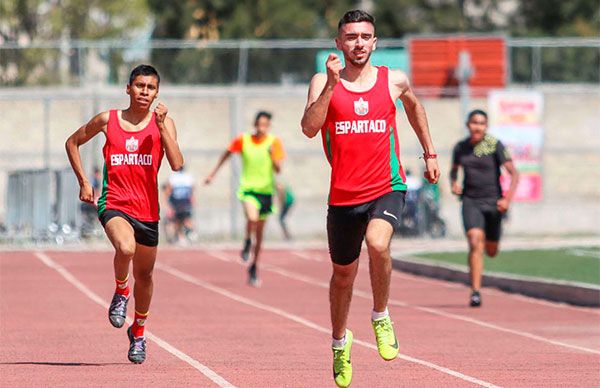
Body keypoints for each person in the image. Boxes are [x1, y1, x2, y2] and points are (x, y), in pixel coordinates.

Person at [300, 10, 440, 388]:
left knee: (378, 244)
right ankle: (339, 343)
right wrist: (330, 86)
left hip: (386, 186)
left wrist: (429, 152)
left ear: (374, 42)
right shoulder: (322, 81)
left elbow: (414, 106)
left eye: (365, 36)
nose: (358, 43)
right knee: (343, 276)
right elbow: (310, 128)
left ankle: (380, 315)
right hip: (344, 196)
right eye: (351, 37)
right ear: (339, 43)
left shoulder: (393, 80)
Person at [65, 64, 184, 364]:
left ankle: (139, 333)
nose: (145, 92)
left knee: (145, 276)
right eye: (140, 86)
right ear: (128, 88)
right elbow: (73, 142)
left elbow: (178, 163)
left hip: (148, 211)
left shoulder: (164, 124)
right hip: (114, 203)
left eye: (151, 88)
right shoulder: (109, 120)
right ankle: (121, 292)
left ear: (157, 92)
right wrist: (83, 181)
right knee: (125, 247)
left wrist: (161, 128)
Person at [205, 111, 285, 286]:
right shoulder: (244, 140)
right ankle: (247, 240)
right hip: (248, 189)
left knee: (261, 235)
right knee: (251, 217)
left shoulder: (274, 142)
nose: (261, 127)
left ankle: (254, 266)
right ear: (254, 124)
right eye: (258, 124)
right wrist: (213, 174)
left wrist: (273, 157)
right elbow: (226, 153)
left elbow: (278, 170)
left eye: (264, 125)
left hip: (266, 192)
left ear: (268, 126)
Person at [450, 109, 519, 307]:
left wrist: (507, 200)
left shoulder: (494, 145)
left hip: (493, 203)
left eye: (481, 123)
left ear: (486, 127)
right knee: (474, 242)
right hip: (471, 201)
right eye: (474, 122)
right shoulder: (461, 148)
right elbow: (454, 171)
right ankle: (475, 292)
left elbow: (514, 174)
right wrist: (454, 183)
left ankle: (493, 240)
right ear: (468, 124)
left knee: (491, 250)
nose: (477, 127)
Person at [164, 166, 196, 244]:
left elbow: (191, 190)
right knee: (179, 220)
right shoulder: (176, 177)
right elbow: (168, 190)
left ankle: (187, 234)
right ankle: (182, 237)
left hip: (182, 202)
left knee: (184, 219)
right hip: (179, 202)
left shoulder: (185, 177)